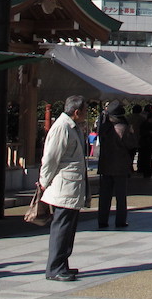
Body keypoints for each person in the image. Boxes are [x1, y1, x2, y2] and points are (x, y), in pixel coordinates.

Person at [39, 95, 90, 281]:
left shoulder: (72, 127)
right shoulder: (62, 127)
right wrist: (44, 181)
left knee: (68, 228)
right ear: (76, 112)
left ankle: (62, 263)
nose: (86, 114)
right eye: (84, 111)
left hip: (72, 186)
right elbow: (51, 157)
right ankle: (55, 267)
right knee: (62, 227)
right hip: (64, 185)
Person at [96, 100, 136, 229]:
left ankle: (102, 220)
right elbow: (131, 144)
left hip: (105, 164)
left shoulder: (104, 128)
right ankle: (120, 220)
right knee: (120, 195)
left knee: (104, 195)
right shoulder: (123, 128)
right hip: (120, 165)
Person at [135, 106, 152, 179]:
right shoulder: (148, 124)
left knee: (145, 157)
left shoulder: (145, 123)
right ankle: (146, 171)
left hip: (145, 143)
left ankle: (143, 170)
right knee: (147, 158)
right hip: (147, 143)